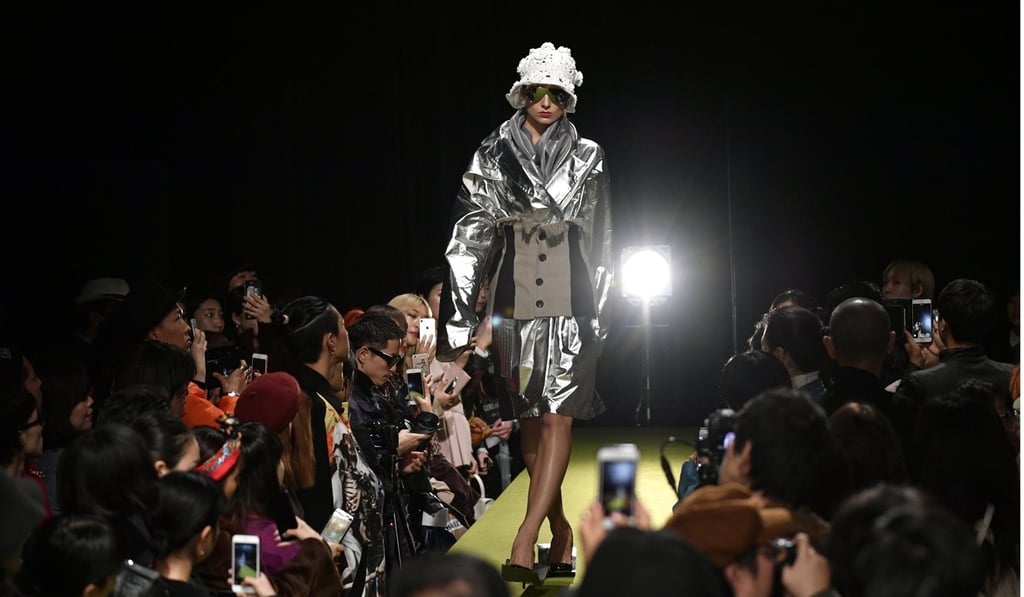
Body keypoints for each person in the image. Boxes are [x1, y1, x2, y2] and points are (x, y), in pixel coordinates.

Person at [438, 41, 613, 581]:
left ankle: (523, 537)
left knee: (558, 416)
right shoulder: (492, 153)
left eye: (556, 93)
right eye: (537, 91)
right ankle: (559, 531)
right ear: (521, 95)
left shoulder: (588, 156)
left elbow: (604, 242)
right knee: (532, 428)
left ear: (568, 99)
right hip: (515, 306)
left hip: (574, 302)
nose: (546, 102)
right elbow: (469, 239)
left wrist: (604, 314)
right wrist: (460, 327)